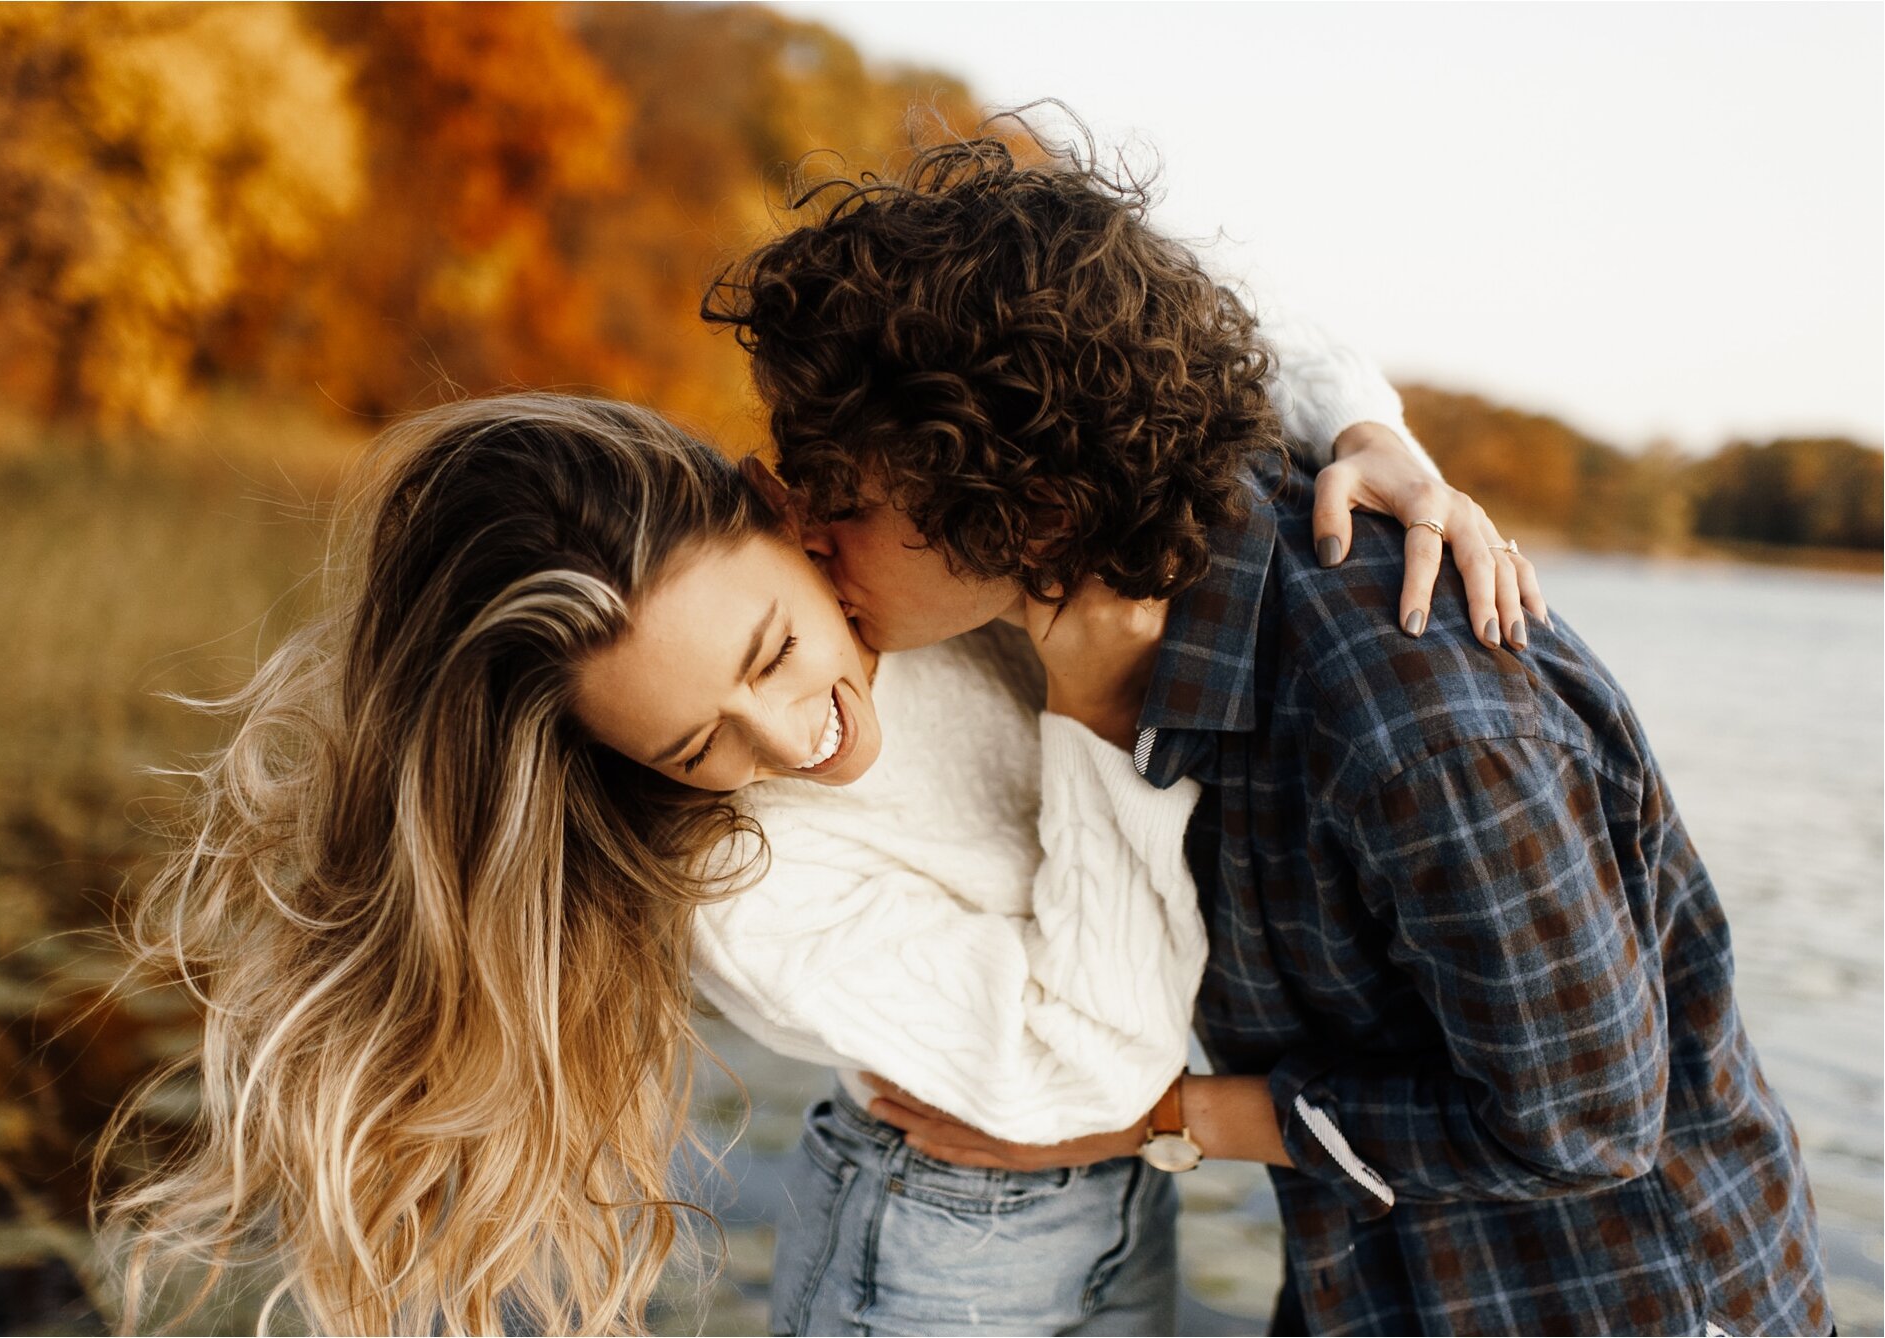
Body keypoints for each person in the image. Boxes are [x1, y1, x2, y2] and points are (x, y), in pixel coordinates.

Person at [704, 129, 1833, 1335]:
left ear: (1026, 511)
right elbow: (1149, 325)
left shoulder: (1419, 729)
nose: (808, 531)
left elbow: (1589, 1123)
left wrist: (1167, 1118)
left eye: (844, 499)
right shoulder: (1133, 561)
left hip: (1610, 1297)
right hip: (1382, 1277)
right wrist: (1372, 429)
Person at [100, 385, 1497, 1336]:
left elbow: (1178, 317)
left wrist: (1371, 430)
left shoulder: (917, 525)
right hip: (951, 1247)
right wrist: (1086, 709)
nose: (793, 736)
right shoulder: (745, 884)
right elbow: (1103, 1054)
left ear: (785, 508)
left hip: (1107, 1203)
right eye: (699, 742)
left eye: (770, 649)